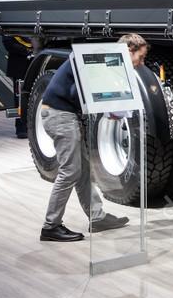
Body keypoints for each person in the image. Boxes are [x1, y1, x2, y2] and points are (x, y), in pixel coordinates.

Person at [39, 34, 147, 242]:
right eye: (140, 57)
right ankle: (50, 226)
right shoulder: (96, 61)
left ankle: (97, 218)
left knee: (83, 171)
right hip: (59, 116)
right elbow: (82, 92)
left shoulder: (102, 61)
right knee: (70, 171)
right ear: (128, 51)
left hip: (64, 115)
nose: (141, 64)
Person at [3, 35, 34, 139]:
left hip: (34, 64)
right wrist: (27, 51)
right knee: (20, 99)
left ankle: (33, 127)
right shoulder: (12, 23)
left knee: (35, 97)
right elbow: (8, 43)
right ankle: (21, 128)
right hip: (19, 66)